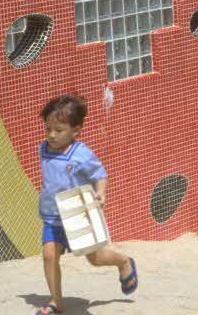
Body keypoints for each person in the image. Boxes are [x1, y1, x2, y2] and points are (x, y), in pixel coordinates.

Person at [37, 95, 137, 314]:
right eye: (48, 128)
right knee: (49, 255)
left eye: (59, 130)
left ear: (76, 130)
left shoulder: (81, 153)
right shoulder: (43, 148)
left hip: (78, 215)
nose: (52, 135)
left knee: (95, 258)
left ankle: (123, 261)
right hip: (53, 217)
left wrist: (101, 192)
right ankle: (56, 301)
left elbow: (99, 174)